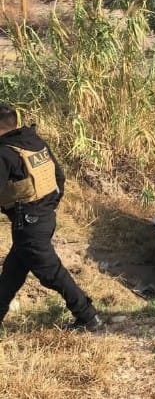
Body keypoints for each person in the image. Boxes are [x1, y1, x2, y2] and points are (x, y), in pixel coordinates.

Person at [0, 104, 101, 330]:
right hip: (42, 217)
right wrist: (48, 206)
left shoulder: (4, 152)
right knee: (11, 275)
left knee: (51, 273)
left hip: (29, 223)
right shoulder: (33, 141)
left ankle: (88, 317)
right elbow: (59, 177)